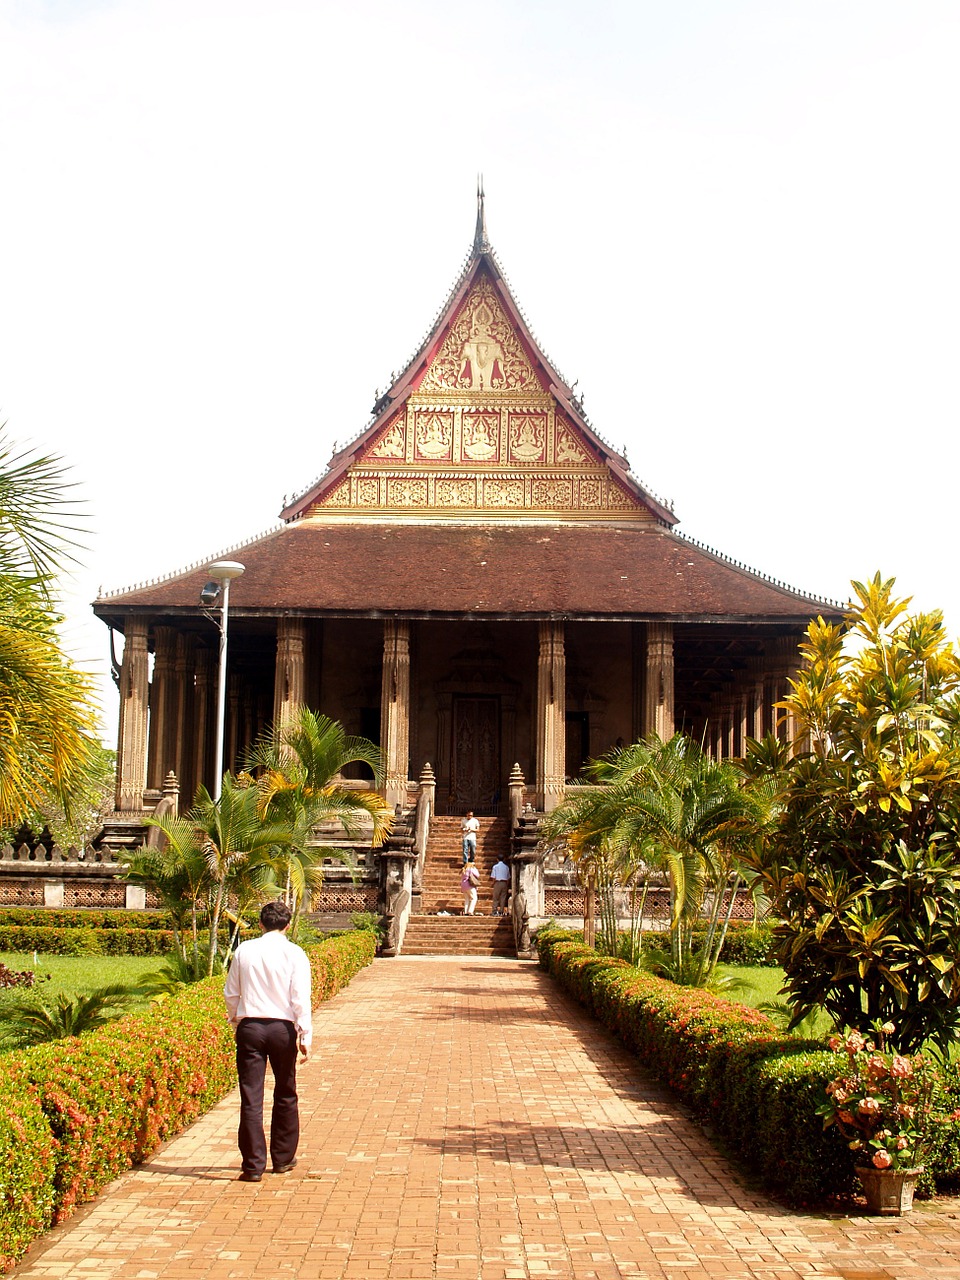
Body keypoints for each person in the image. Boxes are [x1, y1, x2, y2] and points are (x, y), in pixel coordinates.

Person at [224, 900, 312, 1183]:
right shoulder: (294, 953)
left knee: (251, 1096)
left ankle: (252, 1165)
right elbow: (300, 998)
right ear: (287, 925)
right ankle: (283, 1158)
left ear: (261, 924)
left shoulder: (244, 950)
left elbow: (231, 993)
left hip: (251, 1026)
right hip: (281, 1028)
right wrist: (305, 1034)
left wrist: (237, 1022)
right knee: (285, 1091)